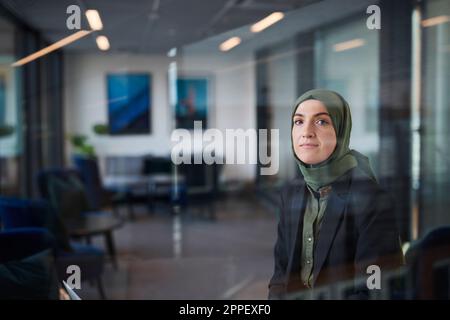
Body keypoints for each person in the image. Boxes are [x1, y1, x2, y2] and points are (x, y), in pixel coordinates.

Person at [268, 89, 404, 299]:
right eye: (298, 121)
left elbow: (374, 291)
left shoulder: (372, 199)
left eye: (321, 122)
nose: (306, 132)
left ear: (341, 131)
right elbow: (280, 275)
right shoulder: (291, 193)